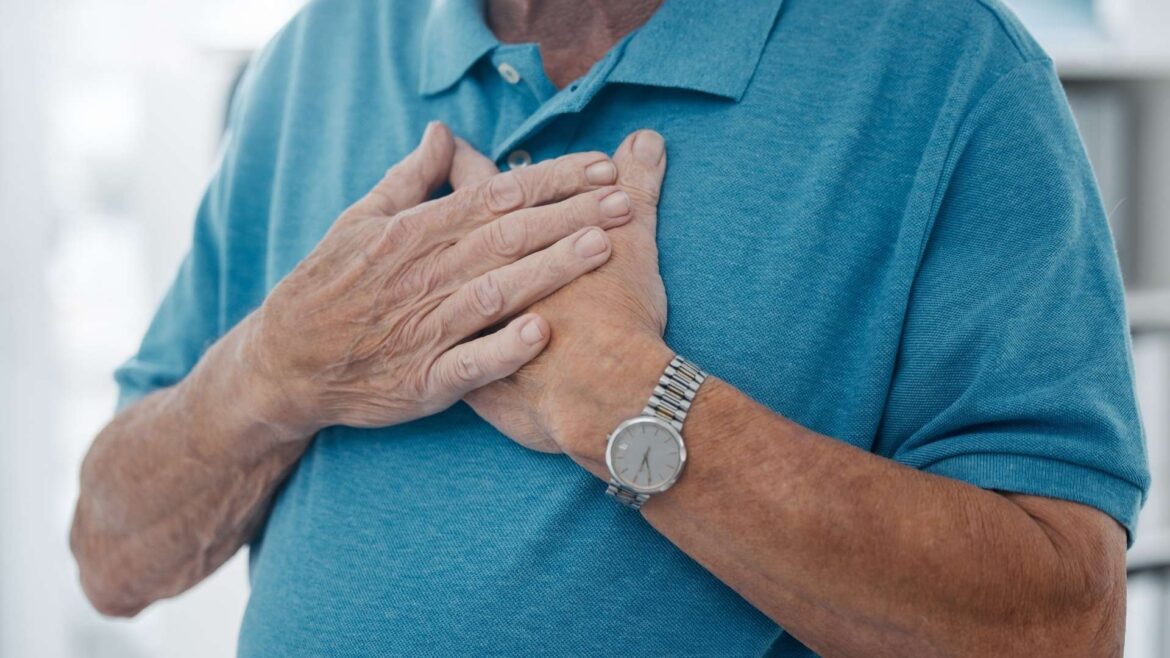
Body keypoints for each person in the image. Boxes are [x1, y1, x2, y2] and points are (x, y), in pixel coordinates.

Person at [70, 0, 1149, 655]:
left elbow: (1059, 626)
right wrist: (275, 369)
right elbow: (111, 555)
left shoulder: (950, 70)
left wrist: (633, 404)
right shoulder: (307, 60)